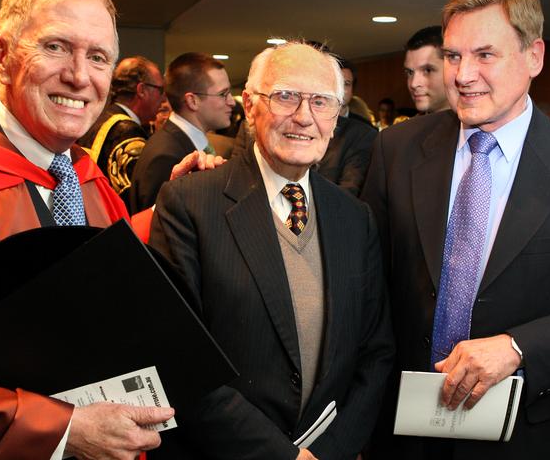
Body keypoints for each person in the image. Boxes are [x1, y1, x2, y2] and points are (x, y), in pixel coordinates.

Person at [0, 0, 174, 458]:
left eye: (99, 57)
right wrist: (64, 431)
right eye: (57, 47)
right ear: (1, 56)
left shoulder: (88, 178)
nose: (80, 76)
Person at [150, 41, 394, 460]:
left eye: (321, 102)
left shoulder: (355, 218)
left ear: (336, 118)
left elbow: (375, 353)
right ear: (249, 105)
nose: (304, 116)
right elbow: (179, 359)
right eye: (285, 96)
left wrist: (329, 452)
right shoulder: (190, 203)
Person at [363, 0, 550, 459]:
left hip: (525, 433)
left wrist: (520, 347)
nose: (463, 75)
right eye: (453, 56)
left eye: (485, 55)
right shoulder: (397, 150)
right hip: (402, 430)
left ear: (534, 56)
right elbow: (359, 269)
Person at [129, 52, 233, 213]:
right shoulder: (166, 156)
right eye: (223, 94)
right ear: (192, 101)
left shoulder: (178, 143)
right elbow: (155, 229)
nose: (232, 102)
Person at [79, 55, 165, 200]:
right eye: (160, 90)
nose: (163, 99)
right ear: (142, 90)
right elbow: (132, 200)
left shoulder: (97, 118)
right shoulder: (127, 131)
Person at [403, 26, 450, 114]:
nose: (414, 84)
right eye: (410, 72)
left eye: (427, 70)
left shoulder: (479, 125)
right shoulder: (405, 127)